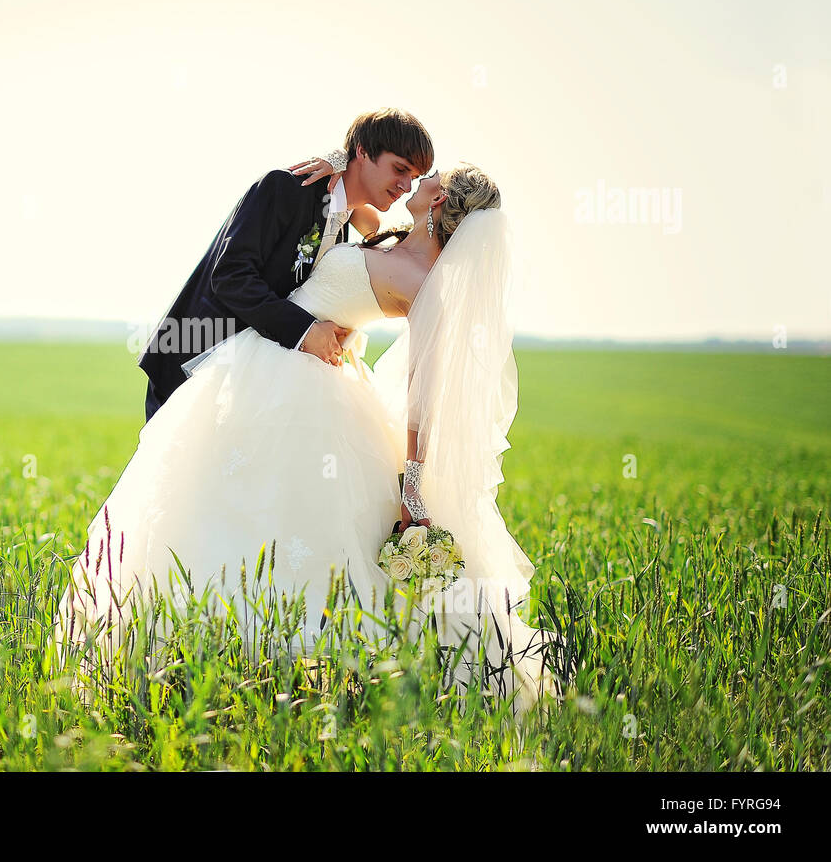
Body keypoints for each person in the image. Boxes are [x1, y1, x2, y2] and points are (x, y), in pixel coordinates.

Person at [59, 163, 562, 716]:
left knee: (283, 524)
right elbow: (346, 204)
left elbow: (426, 389)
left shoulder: (426, 283)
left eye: (426, 179)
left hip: (303, 390)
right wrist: (338, 161)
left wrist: (413, 481)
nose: (415, 183)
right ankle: (201, 660)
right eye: (408, 172)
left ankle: (278, 670)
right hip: (269, 368)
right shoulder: (387, 235)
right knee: (221, 505)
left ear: (441, 200)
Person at [136, 108, 434, 421]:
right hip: (195, 362)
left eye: (413, 178)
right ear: (362, 151)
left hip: (250, 384)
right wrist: (306, 332)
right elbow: (230, 277)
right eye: (399, 169)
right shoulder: (287, 188)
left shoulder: (347, 220)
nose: (405, 186)